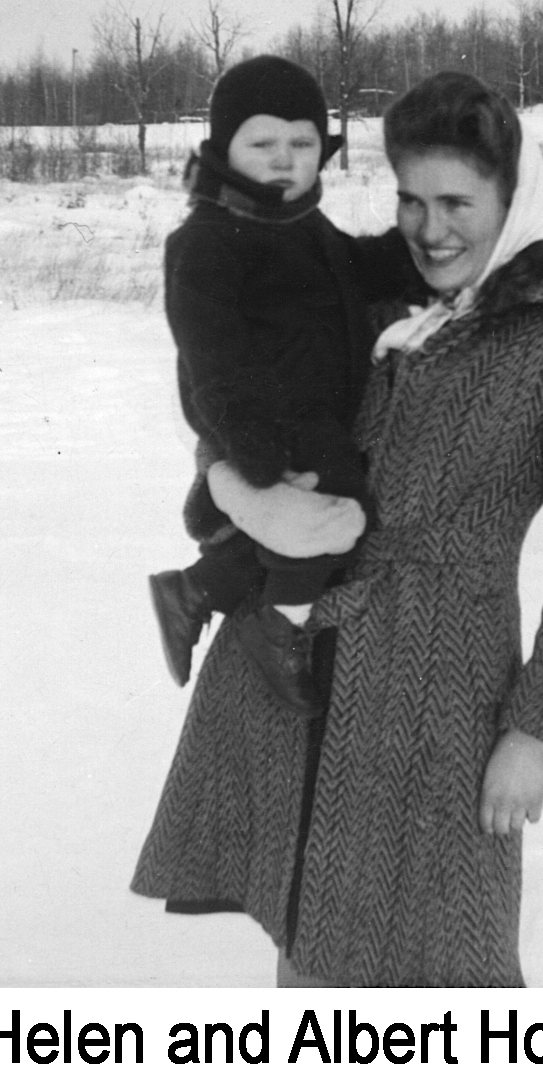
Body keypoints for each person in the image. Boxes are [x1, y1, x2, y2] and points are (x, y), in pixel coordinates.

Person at [132, 71, 543, 987]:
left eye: (457, 201)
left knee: (447, 966)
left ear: (513, 194)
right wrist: (233, 482)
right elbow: (252, 403)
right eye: (411, 199)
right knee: (310, 952)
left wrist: (535, 731)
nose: (429, 227)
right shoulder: (384, 309)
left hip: (439, 700)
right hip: (296, 670)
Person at [149, 55, 414, 717]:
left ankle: (196, 590)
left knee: (299, 519)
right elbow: (208, 349)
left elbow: (352, 270)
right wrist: (246, 429)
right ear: (224, 149)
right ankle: (282, 627)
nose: (284, 159)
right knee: (341, 512)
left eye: (301, 144)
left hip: (309, 409)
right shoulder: (206, 240)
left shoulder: (303, 224)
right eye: (262, 143)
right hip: (265, 416)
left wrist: (406, 259)